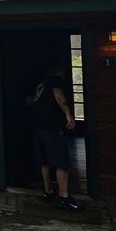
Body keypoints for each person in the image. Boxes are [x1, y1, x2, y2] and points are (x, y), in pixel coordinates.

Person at [29, 64, 80, 210]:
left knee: (44, 160)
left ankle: (49, 192)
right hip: (52, 125)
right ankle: (64, 197)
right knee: (61, 161)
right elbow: (58, 94)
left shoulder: (41, 85)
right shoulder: (54, 81)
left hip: (38, 125)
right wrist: (68, 114)